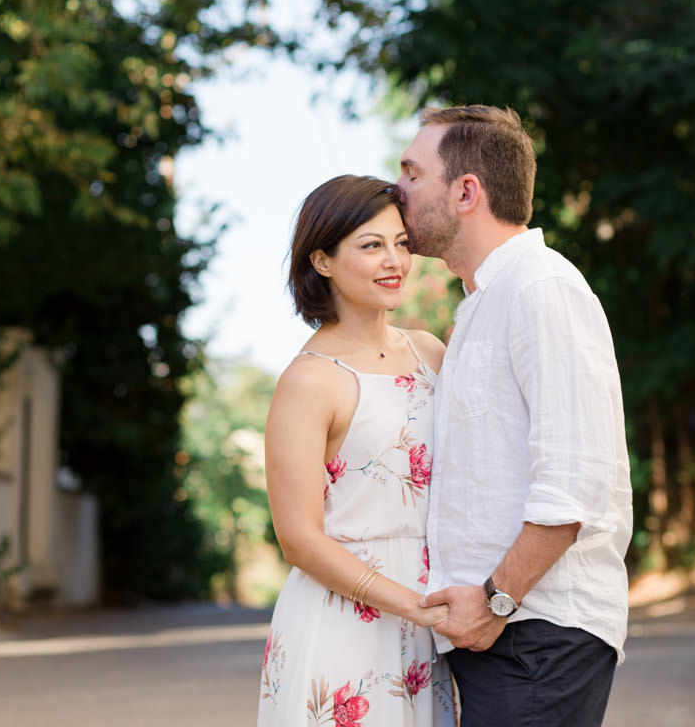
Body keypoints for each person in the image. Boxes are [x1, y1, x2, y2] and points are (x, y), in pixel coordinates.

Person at [397, 105, 633, 726]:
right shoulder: (482, 304)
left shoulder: (540, 288)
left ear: (466, 191)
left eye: (411, 174)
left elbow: (573, 481)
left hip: (536, 631)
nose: (398, 191)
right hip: (503, 632)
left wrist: (495, 600)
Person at [258, 174, 456, 727]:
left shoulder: (429, 353)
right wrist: (404, 601)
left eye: (401, 243)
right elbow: (298, 538)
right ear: (322, 261)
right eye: (372, 246)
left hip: (430, 623)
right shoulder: (309, 380)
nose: (394, 260)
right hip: (342, 621)